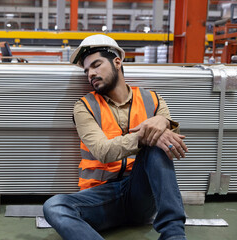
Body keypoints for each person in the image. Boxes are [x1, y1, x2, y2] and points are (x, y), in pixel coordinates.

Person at [43, 34, 189, 240]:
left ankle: (174, 236)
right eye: (87, 70)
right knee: (54, 206)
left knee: (157, 145)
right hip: (100, 199)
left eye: (96, 65)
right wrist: (145, 135)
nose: (90, 74)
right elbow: (103, 151)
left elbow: (170, 145)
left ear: (117, 62)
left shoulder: (154, 100)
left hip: (140, 193)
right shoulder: (84, 107)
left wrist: (164, 123)